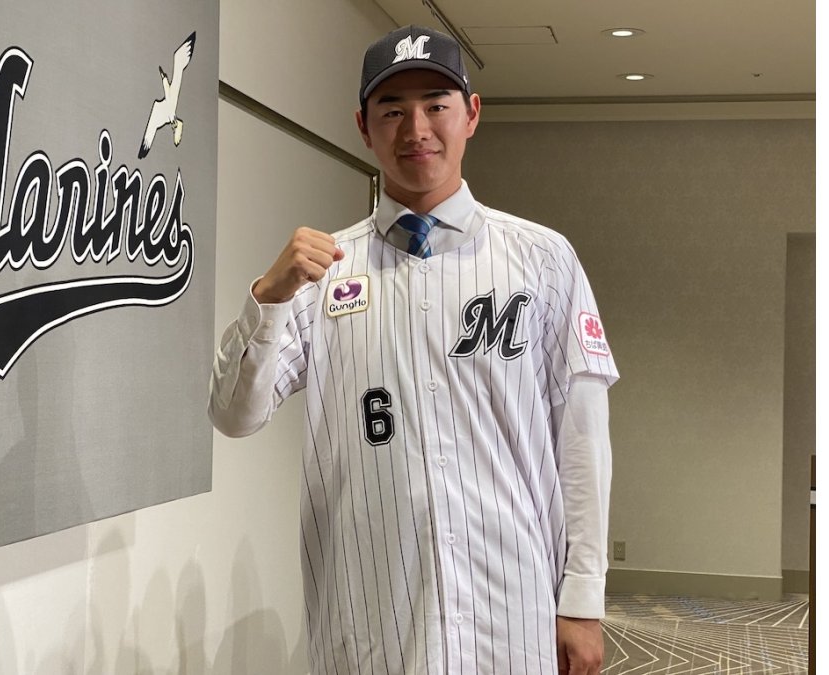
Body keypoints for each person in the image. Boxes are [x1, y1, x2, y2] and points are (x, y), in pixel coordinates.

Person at [209, 24, 618, 675]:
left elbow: (583, 441)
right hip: (371, 613)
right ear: (363, 127)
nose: (416, 128)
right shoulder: (324, 276)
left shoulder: (543, 260)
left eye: (436, 104)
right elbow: (234, 414)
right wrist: (268, 296)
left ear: (471, 114)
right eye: (392, 110)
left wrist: (583, 600)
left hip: (509, 609)